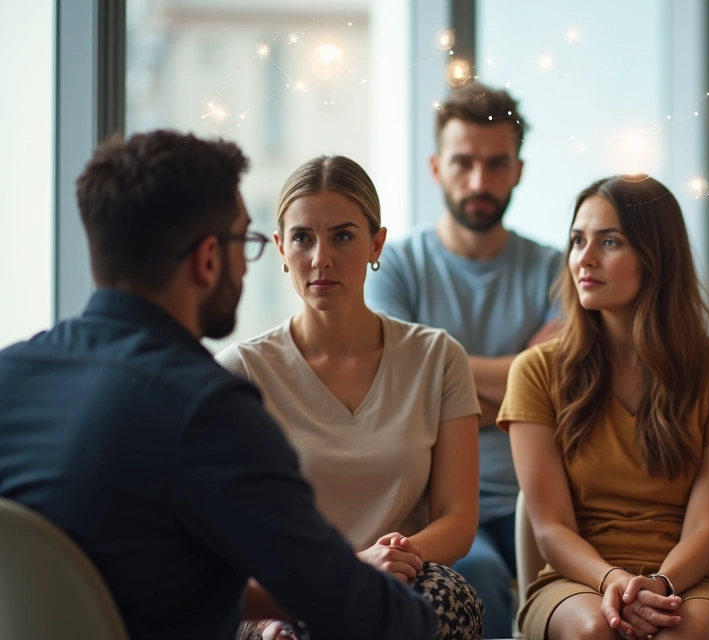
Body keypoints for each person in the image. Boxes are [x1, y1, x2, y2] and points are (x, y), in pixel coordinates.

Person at [0, 131, 436, 639]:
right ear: (209, 258)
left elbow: (118, 575)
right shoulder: (206, 409)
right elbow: (360, 606)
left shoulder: (11, 376)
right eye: (245, 241)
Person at [217, 155, 484, 640]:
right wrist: (352, 569)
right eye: (302, 238)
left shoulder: (438, 357)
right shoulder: (241, 372)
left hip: (404, 579)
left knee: (447, 599)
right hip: (289, 590)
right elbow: (232, 537)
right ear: (280, 248)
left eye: (342, 236)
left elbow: (458, 519)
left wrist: (393, 561)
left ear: (376, 243)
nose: (321, 258)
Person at [499, 176, 709, 640]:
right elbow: (551, 527)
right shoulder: (535, 371)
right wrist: (614, 582)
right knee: (592, 632)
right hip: (575, 580)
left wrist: (658, 585)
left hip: (693, 579)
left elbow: (707, 526)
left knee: (681, 634)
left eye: (609, 241)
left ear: (655, 255)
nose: (585, 257)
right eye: (578, 240)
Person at [366, 82, 562, 637]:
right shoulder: (395, 265)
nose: (479, 182)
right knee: (475, 573)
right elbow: (396, 391)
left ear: (518, 169)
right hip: (435, 508)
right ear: (435, 167)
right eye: (464, 163)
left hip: (543, 497)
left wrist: (442, 381)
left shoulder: (556, 269)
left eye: (497, 164)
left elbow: (564, 389)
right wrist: (524, 372)